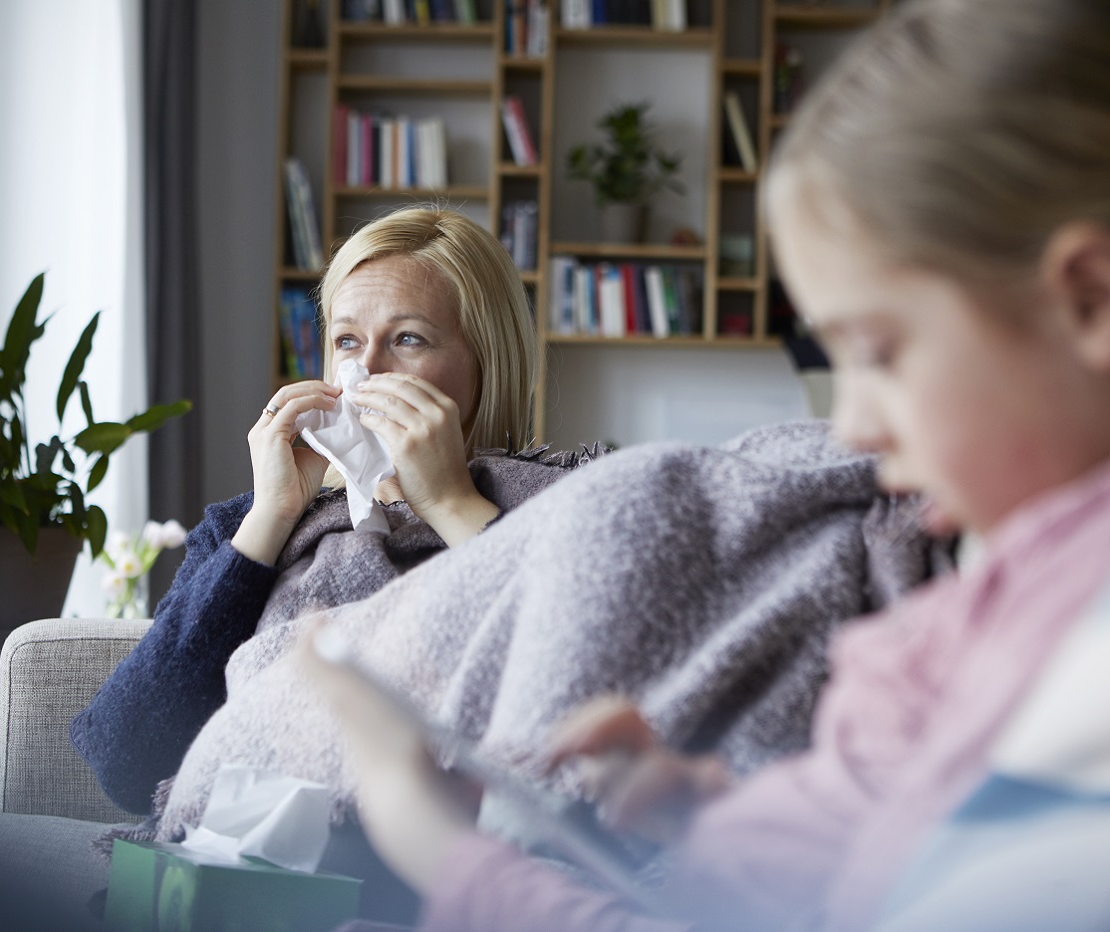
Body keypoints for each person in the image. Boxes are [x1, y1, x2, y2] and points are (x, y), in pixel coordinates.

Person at [299, 0, 1110, 928]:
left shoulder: (1080, 647)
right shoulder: (997, 599)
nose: (850, 426)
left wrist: (439, 849)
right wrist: (704, 820)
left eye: (879, 351)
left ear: (1088, 301)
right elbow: (884, 849)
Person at [71, 206, 590, 815]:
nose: (365, 370)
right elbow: (125, 760)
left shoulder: (567, 503)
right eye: (346, 340)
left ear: (486, 360)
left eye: (408, 339)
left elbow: (589, 700)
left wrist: (450, 503)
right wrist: (269, 518)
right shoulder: (250, 527)